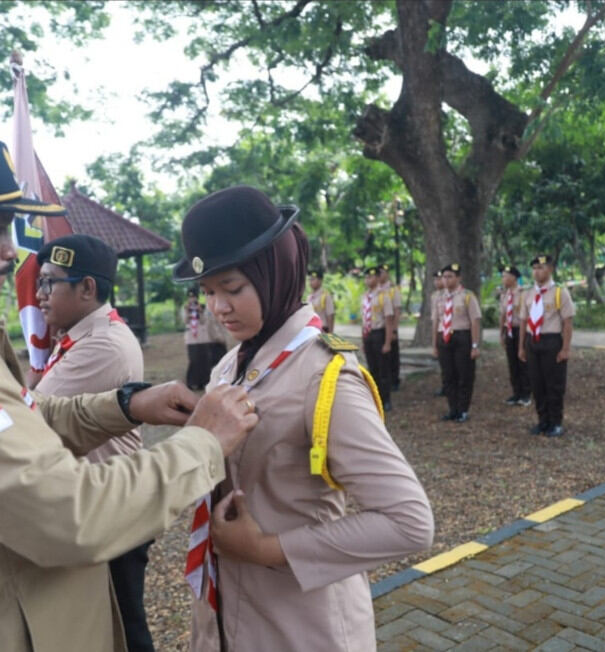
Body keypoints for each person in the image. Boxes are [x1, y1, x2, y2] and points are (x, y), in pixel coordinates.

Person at [0, 121, 259, 652]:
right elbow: (68, 515)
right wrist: (203, 445)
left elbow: (20, 424)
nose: (14, 252)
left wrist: (125, 405)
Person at [173, 185, 433, 652]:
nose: (219, 307)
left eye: (232, 288)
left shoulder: (324, 375)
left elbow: (410, 521)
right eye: (208, 291)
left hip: (301, 625)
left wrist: (265, 550)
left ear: (276, 271)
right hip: (228, 615)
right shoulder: (231, 365)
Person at [33, 233, 155, 651]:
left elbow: (31, 417)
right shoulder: (79, 336)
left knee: (124, 630)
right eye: (39, 282)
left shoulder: (102, 344)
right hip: (103, 502)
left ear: (87, 288)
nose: (39, 294)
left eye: (50, 282)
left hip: (112, 508)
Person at [518, 255, 575, 437]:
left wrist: (565, 348)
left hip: (551, 341)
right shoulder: (528, 294)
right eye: (534, 268)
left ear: (550, 269)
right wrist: (521, 347)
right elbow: (523, 322)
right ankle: (542, 421)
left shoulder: (559, 292)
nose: (537, 271)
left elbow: (567, 323)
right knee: (537, 383)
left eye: (541, 267)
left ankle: (556, 422)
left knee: (554, 383)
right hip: (532, 341)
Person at [432, 263, 482, 423]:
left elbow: (475, 321)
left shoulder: (467, 296)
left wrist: (475, 345)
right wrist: (434, 344)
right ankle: (452, 409)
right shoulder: (438, 297)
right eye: (444, 277)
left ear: (458, 278)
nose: (446, 280)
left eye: (450, 276)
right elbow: (435, 322)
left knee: (464, 375)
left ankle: (463, 409)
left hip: (462, 337)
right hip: (444, 337)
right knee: (448, 375)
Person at [360, 265, 394, 412]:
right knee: (372, 369)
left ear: (377, 278)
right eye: (366, 277)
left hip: (380, 333)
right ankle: (375, 398)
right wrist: (363, 338)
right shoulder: (364, 297)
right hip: (369, 335)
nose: (369, 280)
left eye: (372, 277)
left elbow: (388, 320)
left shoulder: (383, 296)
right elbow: (363, 319)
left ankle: (386, 399)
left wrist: (387, 342)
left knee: (383, 369)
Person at [499, 265, 531, 407]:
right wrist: (501, 333)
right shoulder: (505, 294)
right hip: (509, 330)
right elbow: (503, 315)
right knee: (512, 363)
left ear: (513, 277)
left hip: (521, 330)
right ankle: (516, 393)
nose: (503, 279)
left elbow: (528, 315)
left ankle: (526, 394)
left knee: (523, 361)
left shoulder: (524, 293)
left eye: (505, 276)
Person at [184, 288, 215, 390]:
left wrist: (200, 311)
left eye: (193, 297)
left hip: (203, 337)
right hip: (191, 338)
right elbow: (184, 320)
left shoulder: (202, 307)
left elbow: (205, 321)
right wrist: (189, 313)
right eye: (190, 297)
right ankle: (191, 382)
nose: (192, 299)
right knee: (193, 360)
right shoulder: (185, 308)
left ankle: (203, 382)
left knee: (204, 360)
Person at [379, 263, 403, 390]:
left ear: (387, 274)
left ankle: (395, 379)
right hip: (379, 328)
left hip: (391, 325)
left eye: (382, 272)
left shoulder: (393, 290)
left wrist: (394, 329)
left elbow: (397, 311)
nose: (380, 275)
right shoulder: (376, 291)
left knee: (393, 354)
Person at [430, 269, 447, 397]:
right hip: (441, 330)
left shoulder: (451, 294)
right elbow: (435, 319)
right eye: (435, 279)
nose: (437, 282)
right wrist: (434, 343)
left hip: (452, 330)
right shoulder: (435, 296)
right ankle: (445, 385)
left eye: (440, 279)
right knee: (444, 362)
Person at [307, 269, 335, 333]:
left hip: (322, 330)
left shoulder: (325, 296)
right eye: (310, 280)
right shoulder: (309, 297)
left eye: (313, 279)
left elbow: (330, 315)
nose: (311, 282)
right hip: (310, 330)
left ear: (320, 281)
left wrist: (330, 334)